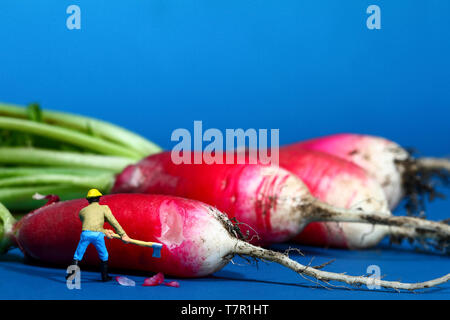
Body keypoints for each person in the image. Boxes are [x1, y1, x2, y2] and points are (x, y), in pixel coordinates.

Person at [66, 189, 130, 282]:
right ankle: (104, 277)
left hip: (85, 234)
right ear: (99, 198)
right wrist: (123, 234)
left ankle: (71, 275)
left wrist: (104, 230)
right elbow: (113, 222)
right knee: (104, 255)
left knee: (77, 255)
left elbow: (88, 222)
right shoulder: (104, 208)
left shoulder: (82, 211)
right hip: (97, 235)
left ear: (88, 200)